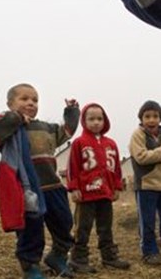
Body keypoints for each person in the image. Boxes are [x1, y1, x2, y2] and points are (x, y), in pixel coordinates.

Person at [0, 83, 80, 279]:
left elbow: (67, 131)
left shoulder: (46, 128)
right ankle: (30, 265)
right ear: (9, 103)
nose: (31, 103)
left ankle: (58, 256)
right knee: (31, 232)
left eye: (35, 100)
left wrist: (72, 111)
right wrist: (15, 117)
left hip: (53, 186)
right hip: (27, 190)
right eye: (24, 99)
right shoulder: (8, 128)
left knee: (64, 223)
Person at [66, 103, 131, 273]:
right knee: (83, 228)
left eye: (99, 119)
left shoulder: (111, 144)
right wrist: (74, 188)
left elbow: (116, 167)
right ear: (84, 121)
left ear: (105, 120)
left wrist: (117, 187)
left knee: (105, 227)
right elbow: (72, 167)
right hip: (86, 194)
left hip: (105, 193)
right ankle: (78, 259)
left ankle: (109, 257)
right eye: (91, 119)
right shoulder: (79, 143)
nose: (96, 122)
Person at [129, 100, 161, 265]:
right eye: (147, 116)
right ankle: (149, 251)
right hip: (146, 185)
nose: (151, 120)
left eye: (155, 116)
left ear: (160, 118)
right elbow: (141, 157)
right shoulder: (138, 135)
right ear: (141, 118)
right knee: (147, 221)